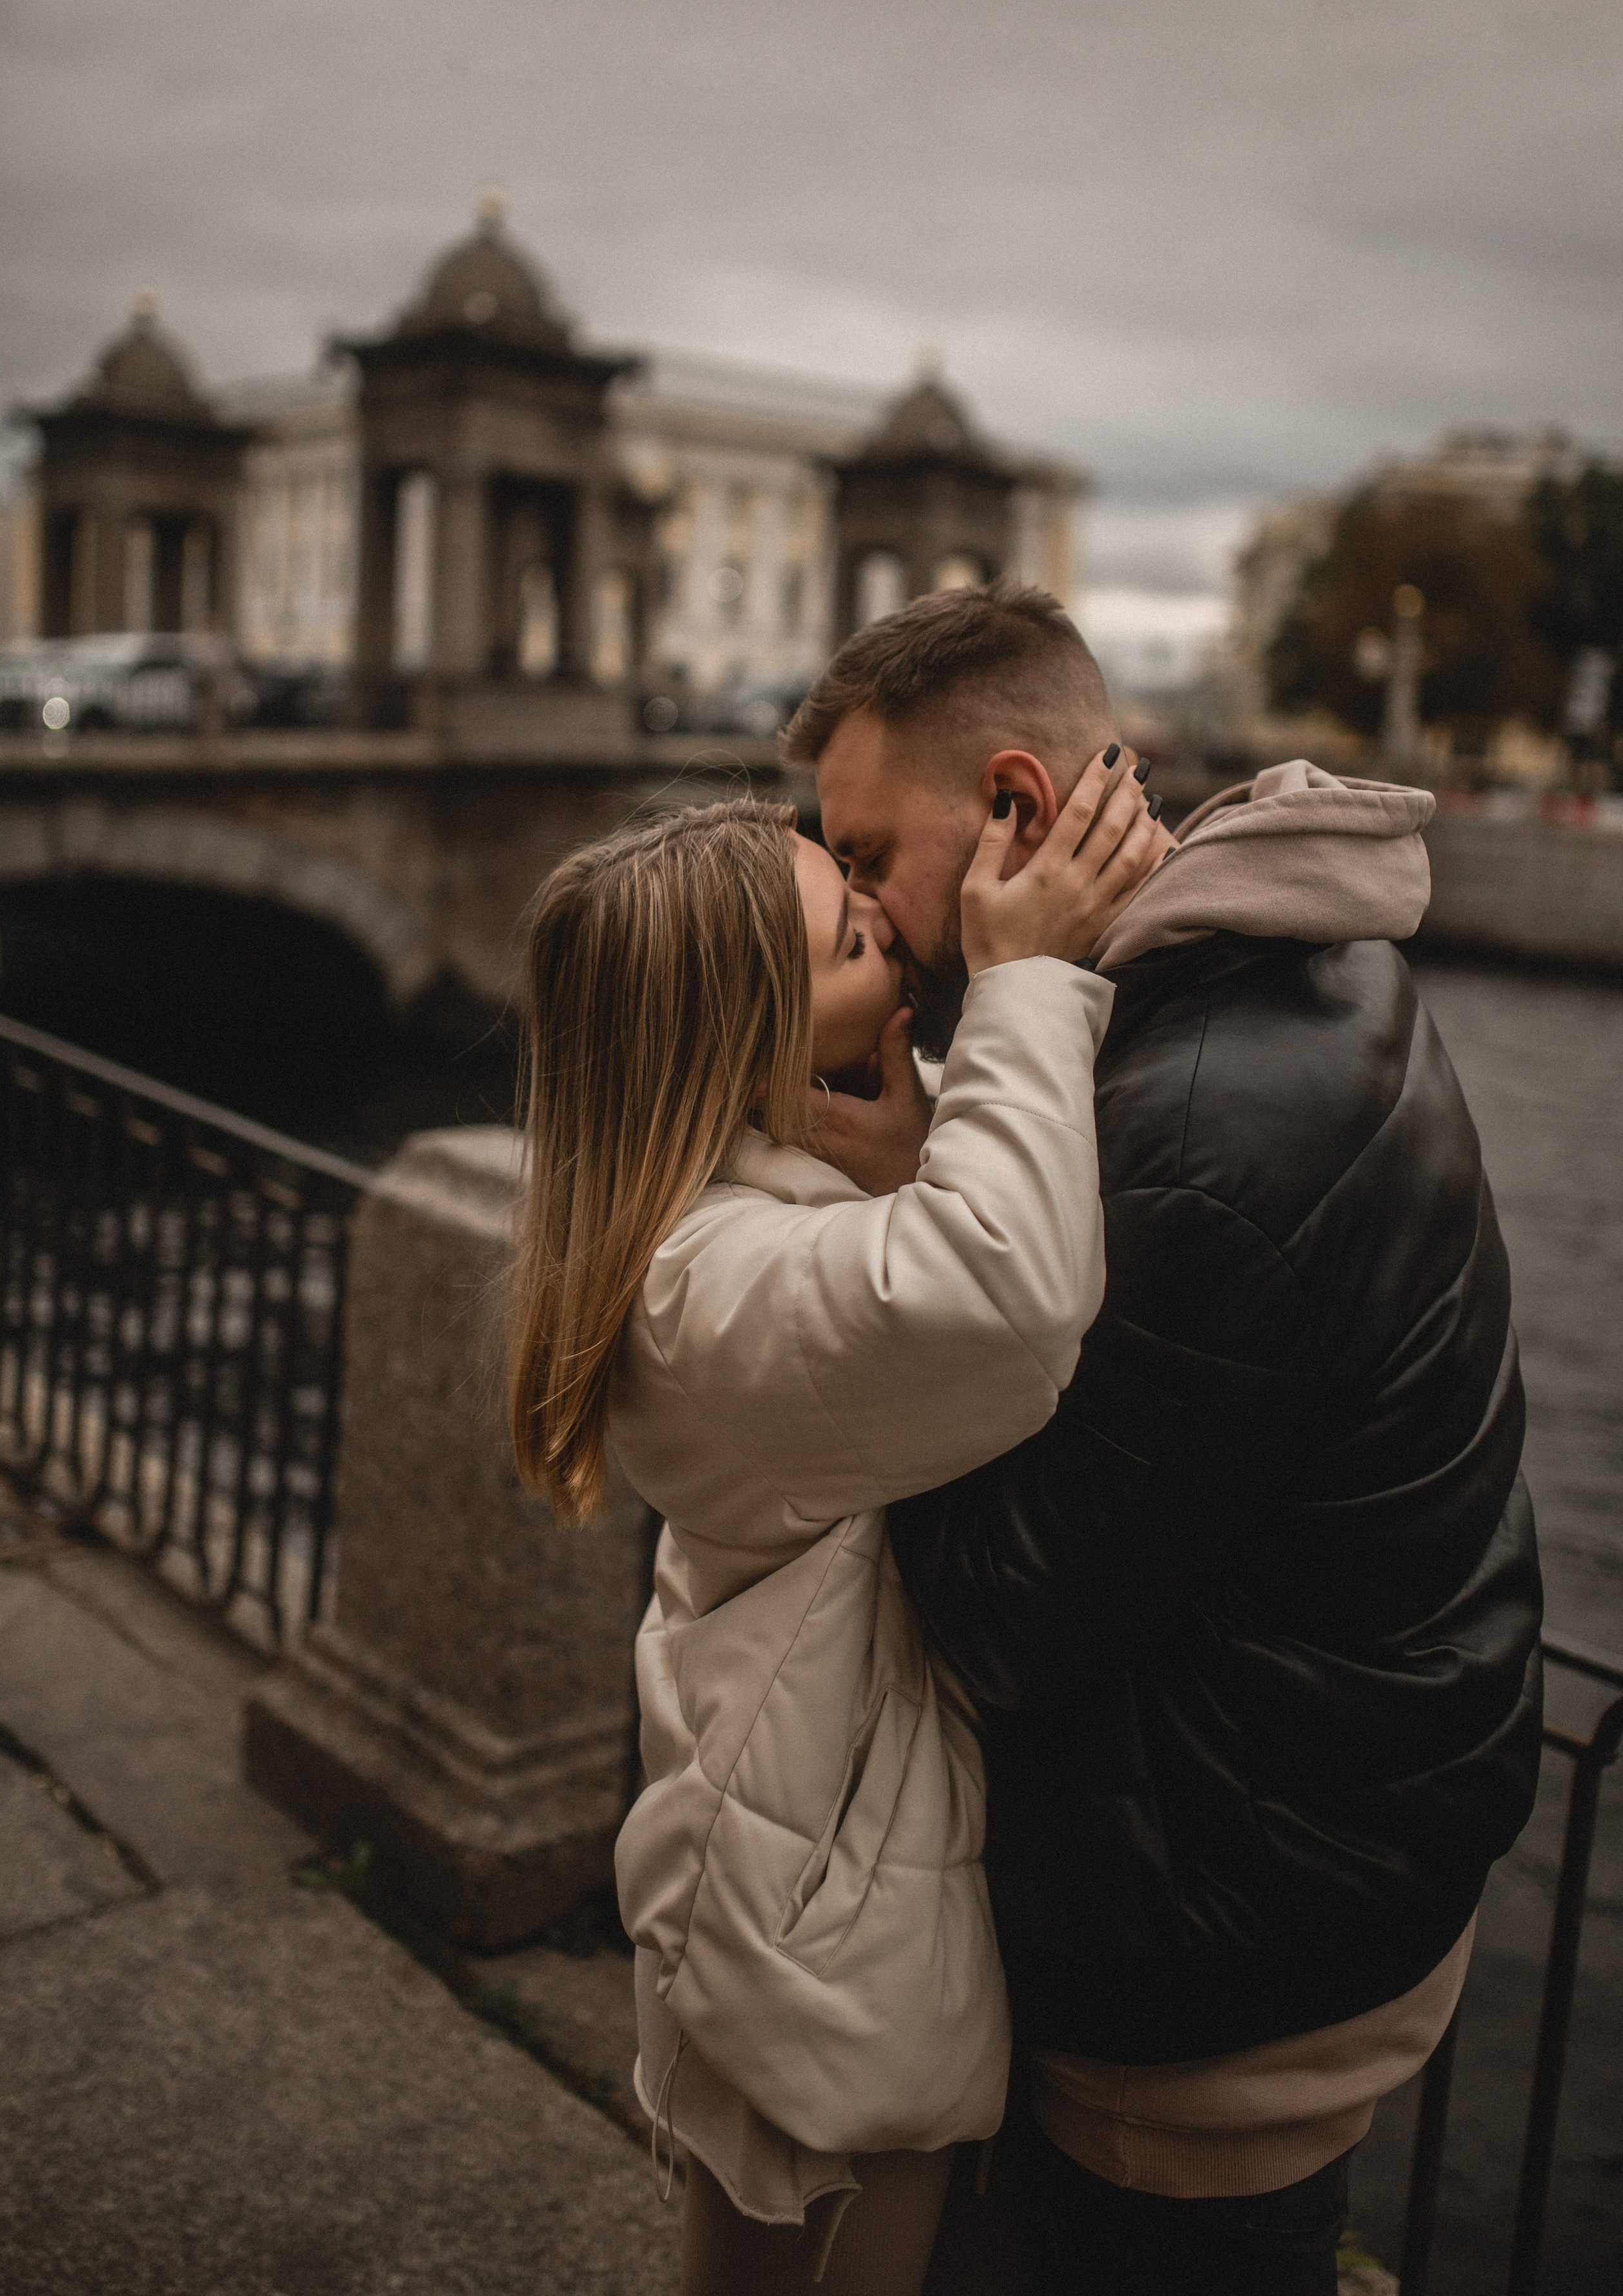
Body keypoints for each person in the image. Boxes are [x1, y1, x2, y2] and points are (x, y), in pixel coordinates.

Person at [786, 578, 1545, 2296]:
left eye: (864, 855)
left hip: (1223, 1956)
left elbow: (990, 1613)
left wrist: (891, 1222)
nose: (857, 916)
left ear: (1017, 813)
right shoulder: (1260, 985)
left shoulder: (1195, 1133)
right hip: (1307, 1834)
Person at [506, 768, 1159, 2296]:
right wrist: (1022, 986)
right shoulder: (705, 1298)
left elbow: (898, 1289)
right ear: (740, 1046)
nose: (901, 943)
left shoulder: (704, 1236)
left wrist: (907, 1161)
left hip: (796, 1901)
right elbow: (999, 1304)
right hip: (818, 1949)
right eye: (856, 944)